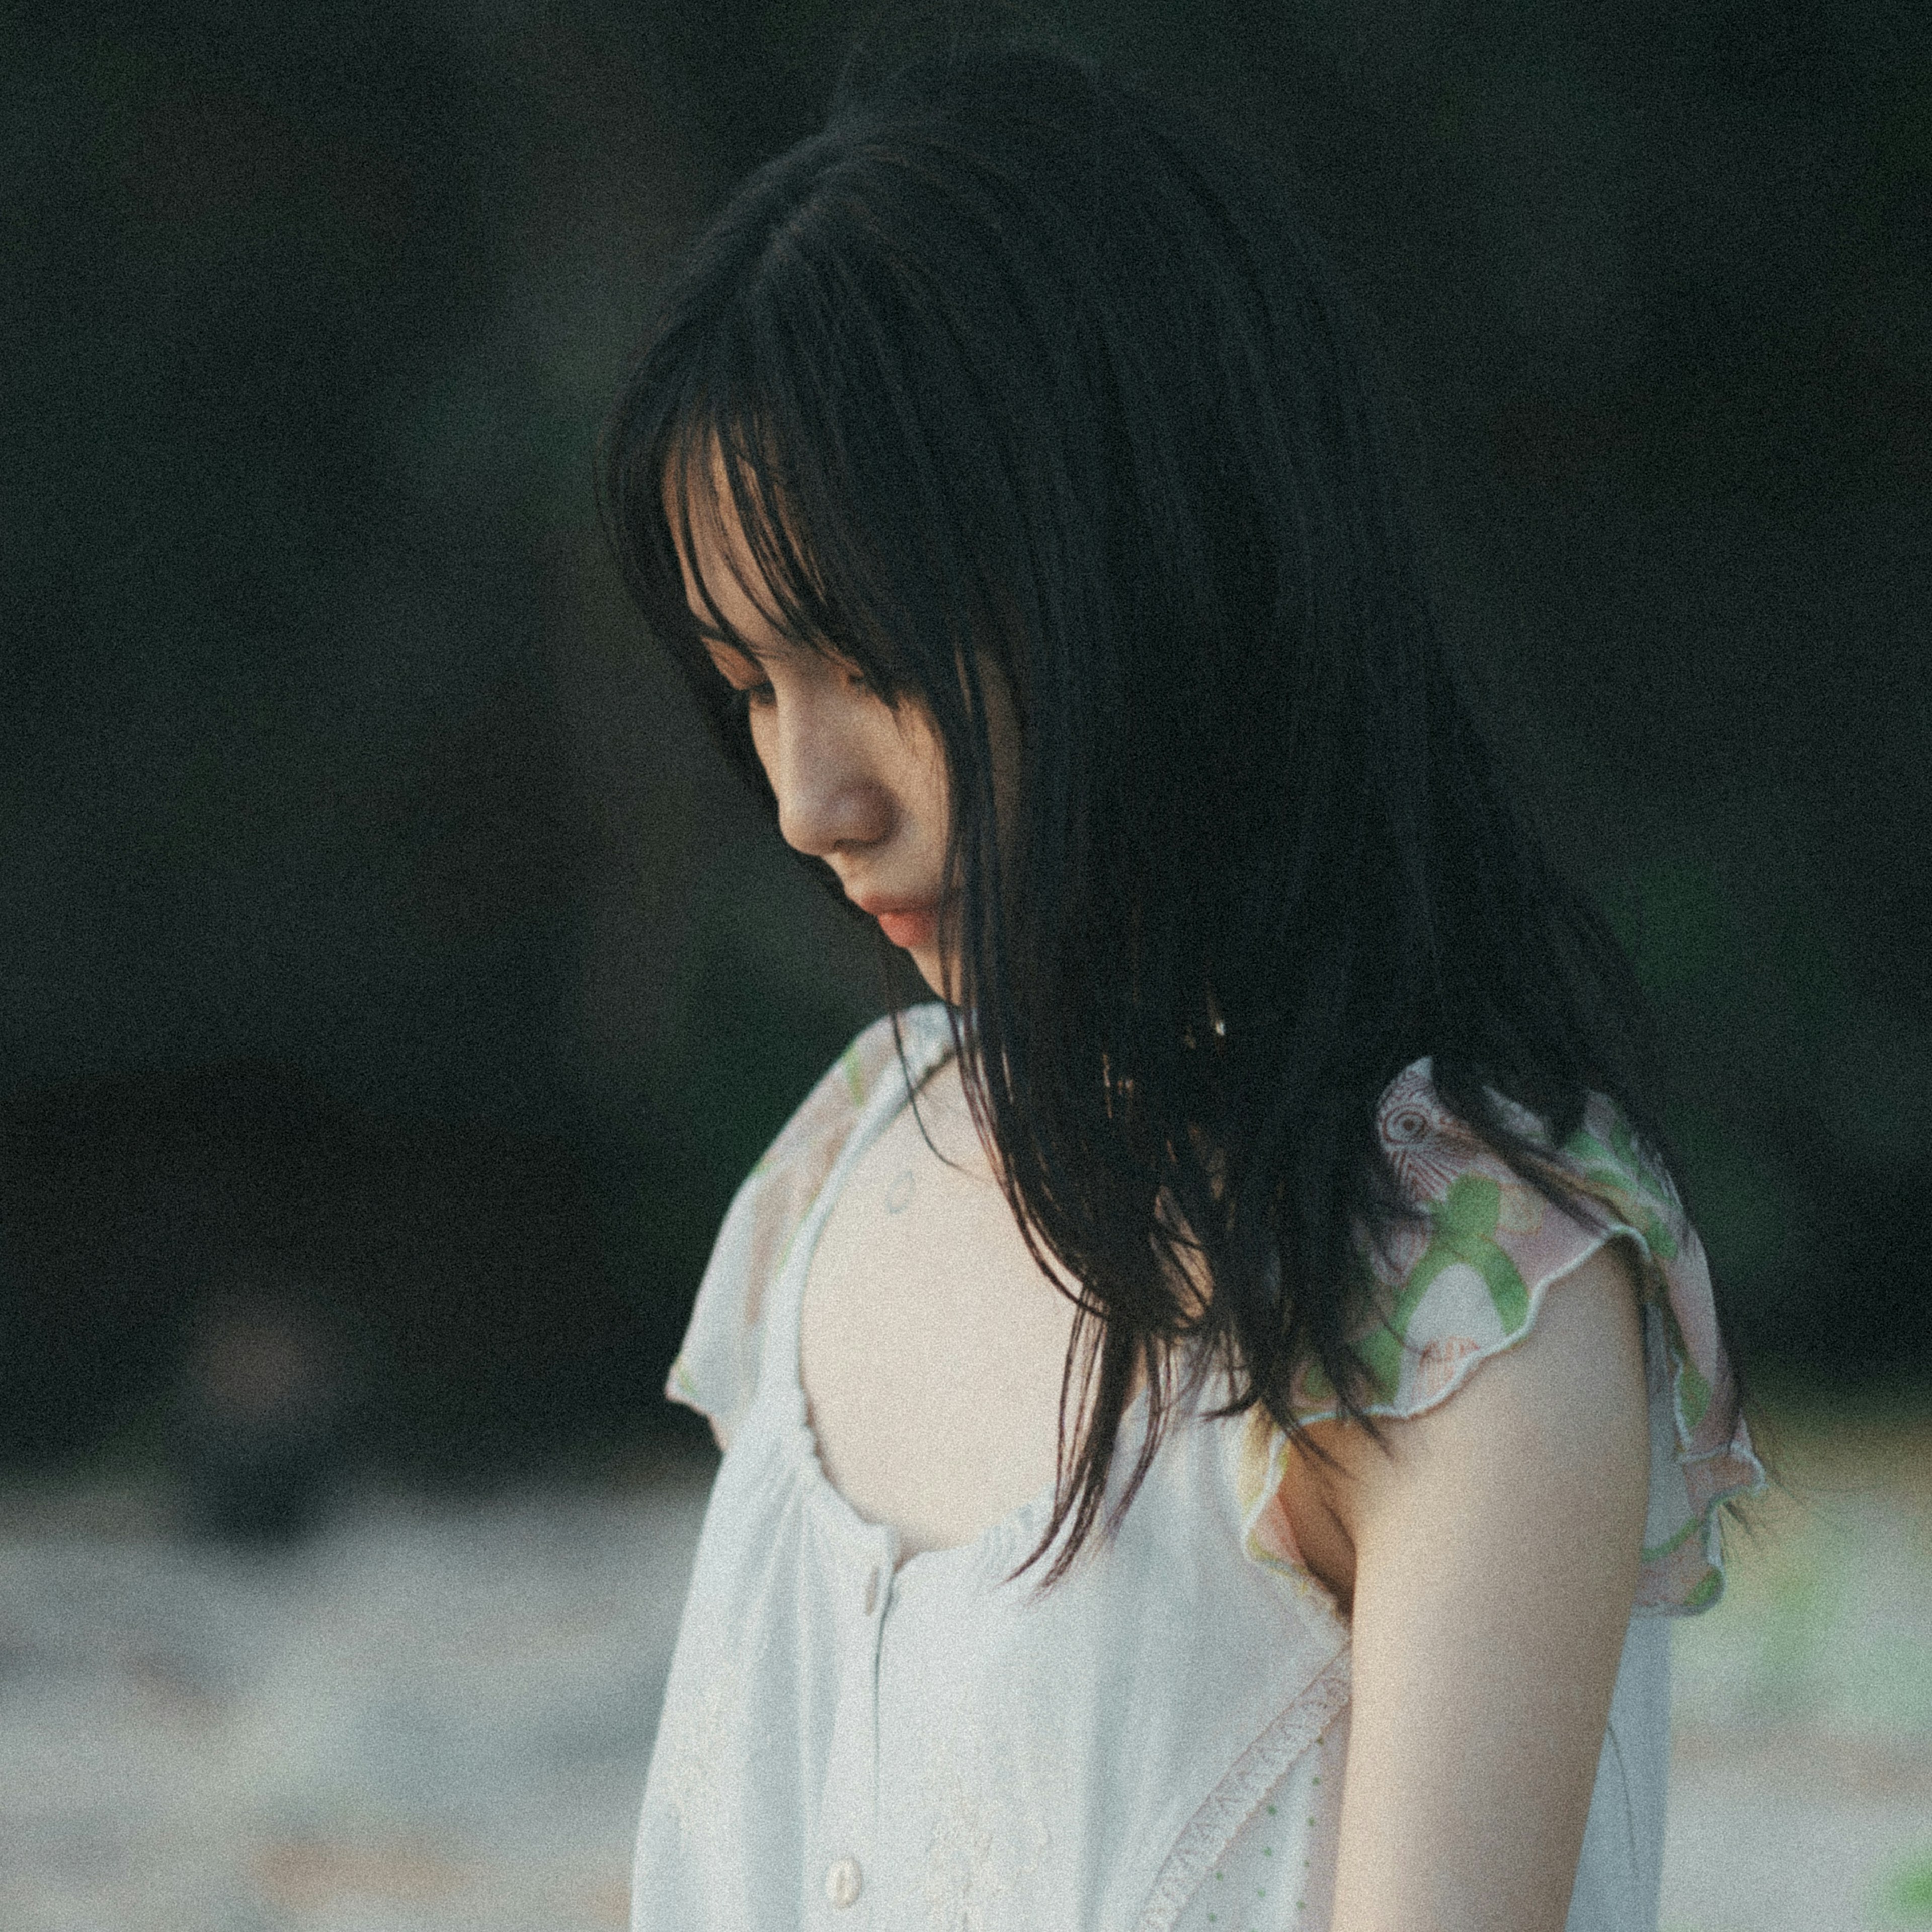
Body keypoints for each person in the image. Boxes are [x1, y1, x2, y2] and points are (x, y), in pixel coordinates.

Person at [601, 38, 1764, 1932]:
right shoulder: (852, 1171)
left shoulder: (1463, 1296)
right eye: (748, 686)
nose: (809, 801)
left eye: (870, 654)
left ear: (1154, 563)